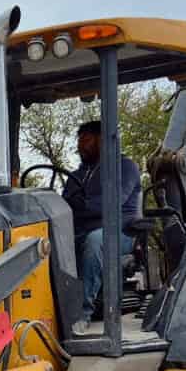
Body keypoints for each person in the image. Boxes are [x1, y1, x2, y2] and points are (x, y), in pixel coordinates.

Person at [61, 119, 140, 335]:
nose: (80, 146)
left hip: (121, 232)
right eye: (79, 141)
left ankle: (83, 314)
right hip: (82, 231)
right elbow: (65, 204)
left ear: (102, 140)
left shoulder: (125, 167)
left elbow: (112, 202)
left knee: (95, 240)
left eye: (86, 140)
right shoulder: (77, 175)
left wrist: (82, 206)